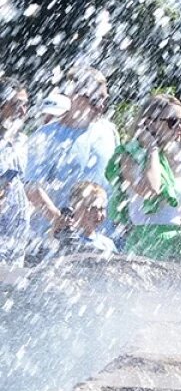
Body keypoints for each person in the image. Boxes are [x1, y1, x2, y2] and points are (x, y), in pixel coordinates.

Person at [25, 68, 119, 243]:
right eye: (95, 100)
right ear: (75, 95)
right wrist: (57, 219)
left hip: (103, 237)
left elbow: (116, 178)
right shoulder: (46, 136)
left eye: (105, 99)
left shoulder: (109, 131)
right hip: (57, 238)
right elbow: (31, 187)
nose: (101, 106)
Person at [109, 93, 181, 267]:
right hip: (146, 244)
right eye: (173, 121)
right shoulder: (129, 155)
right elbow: (151, 190)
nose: (180, 127)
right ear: (150, 123)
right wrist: (152, 149)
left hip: (179, 245)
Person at [0, 77, 30, 265]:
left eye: (25, 105)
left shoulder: (23, 141)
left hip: (17, 244)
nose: (23, 111)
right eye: (17, 105)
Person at [46, 181, 115, 256]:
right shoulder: (66, 239)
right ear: (76, 209)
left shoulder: (107, 244)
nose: (99, 214)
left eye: (102, 209)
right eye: (92, 208)